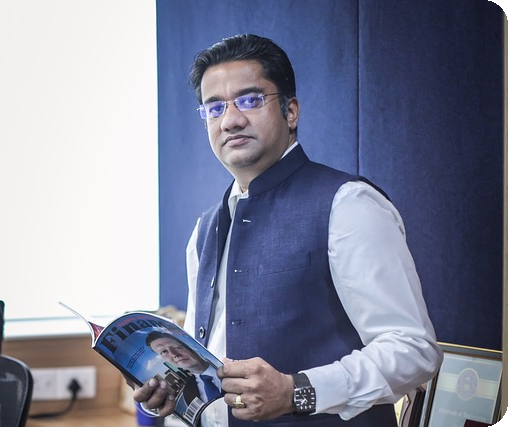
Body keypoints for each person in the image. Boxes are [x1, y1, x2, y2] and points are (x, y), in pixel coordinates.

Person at [134, 34, 443, 427]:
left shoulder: (348, 204)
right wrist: (171, 392)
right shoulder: (205, 228)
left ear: (290, 110)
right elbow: (208, 371)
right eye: (215, 108)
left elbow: (414, 349)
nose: (231, 120)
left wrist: (297, 391)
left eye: (249, 100)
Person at [145, 331, 223, 413]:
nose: (174, 354)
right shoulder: (187, 392)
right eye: (164, 351)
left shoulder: (224, 365)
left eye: (175, 346)